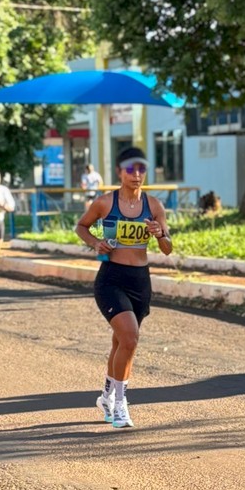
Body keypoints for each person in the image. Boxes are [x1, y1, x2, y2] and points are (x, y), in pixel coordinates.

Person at [75, 145, 173, 429]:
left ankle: (106, 396)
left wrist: (159, 234)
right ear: (119, 171)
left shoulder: (154, 206)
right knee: (130, 338)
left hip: (140, 281)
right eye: (130, 169)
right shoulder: (106, 203)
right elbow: (82, 226)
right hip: (111, 279)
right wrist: (95, 242)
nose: (137, 174)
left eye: (141, 168)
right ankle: (120, 404)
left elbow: (167, 249)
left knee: (121, 342)